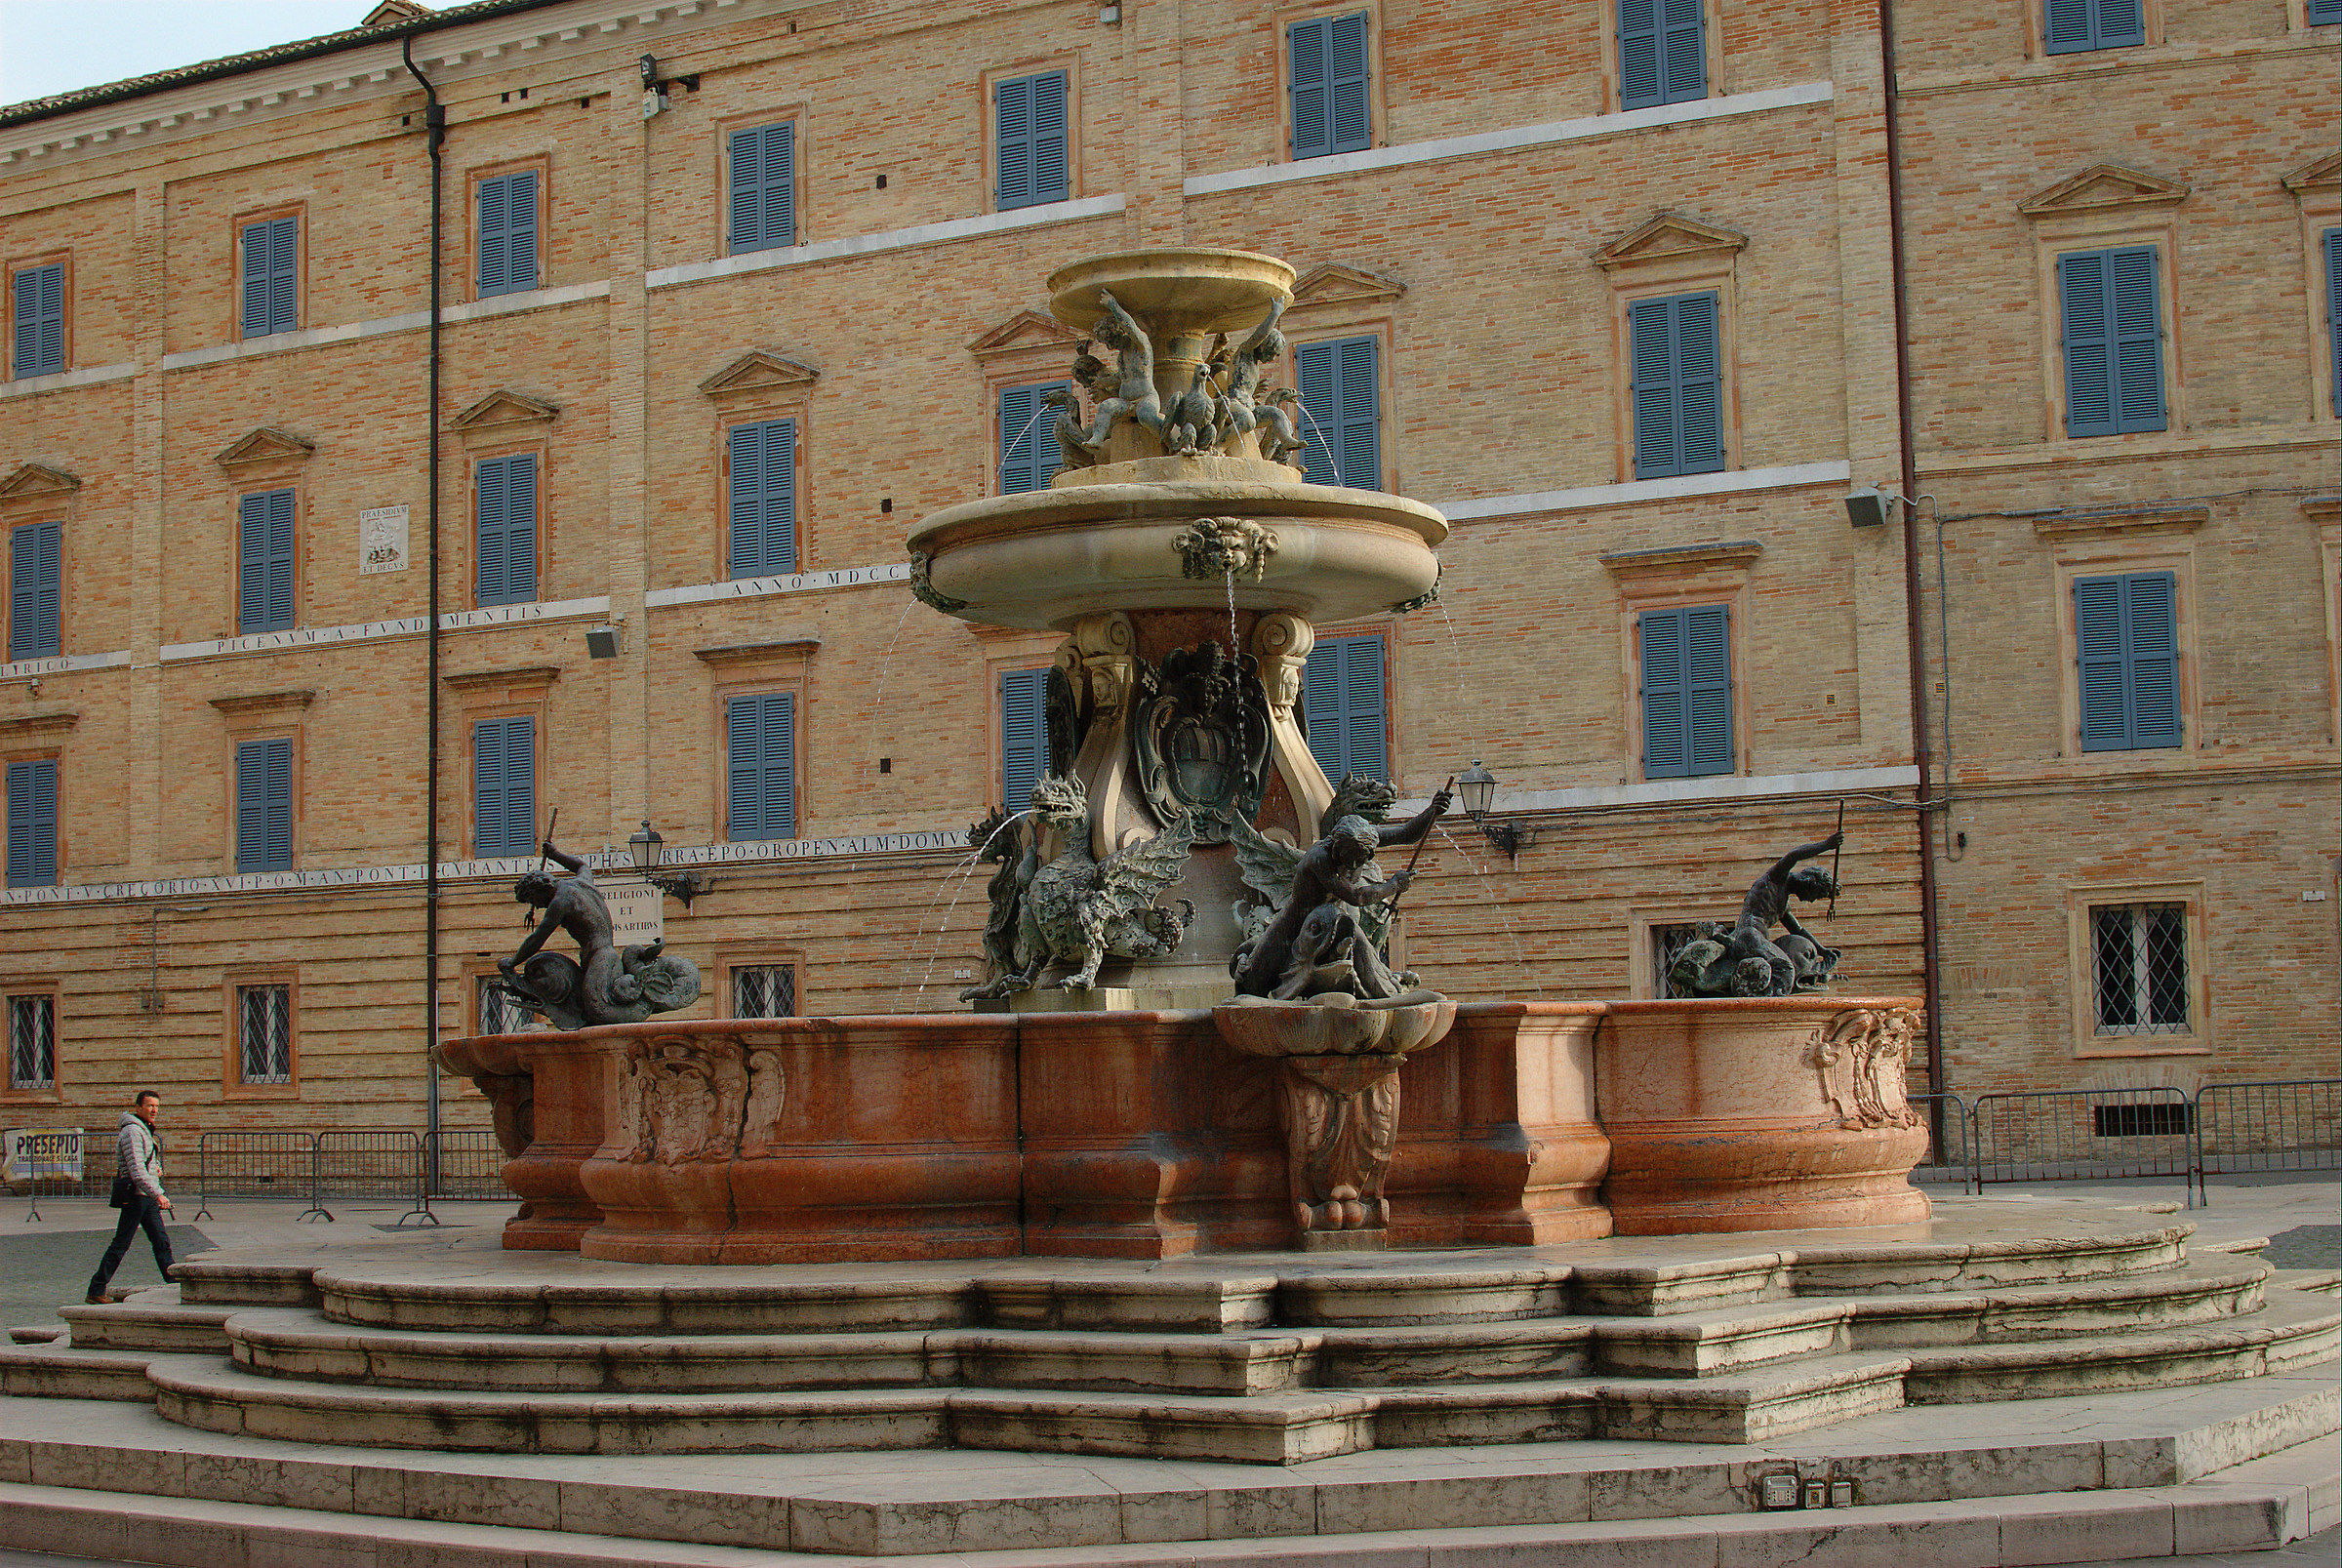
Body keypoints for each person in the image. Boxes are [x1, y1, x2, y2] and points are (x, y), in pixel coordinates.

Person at [86, 1090, 173, 1304]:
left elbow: (146, 1161)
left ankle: (175, 1286)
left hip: (145, 1195)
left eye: (157, 1106)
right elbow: (136, 1170)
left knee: (161, 1240)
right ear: (138, 1107)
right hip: (137, 1196)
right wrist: (159, 1194)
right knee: (121, 1244)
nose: (154, 1110)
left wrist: (156, 1169)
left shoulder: (144, 1130)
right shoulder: (133, 1131)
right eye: (150, 1105)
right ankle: (96, 1289)